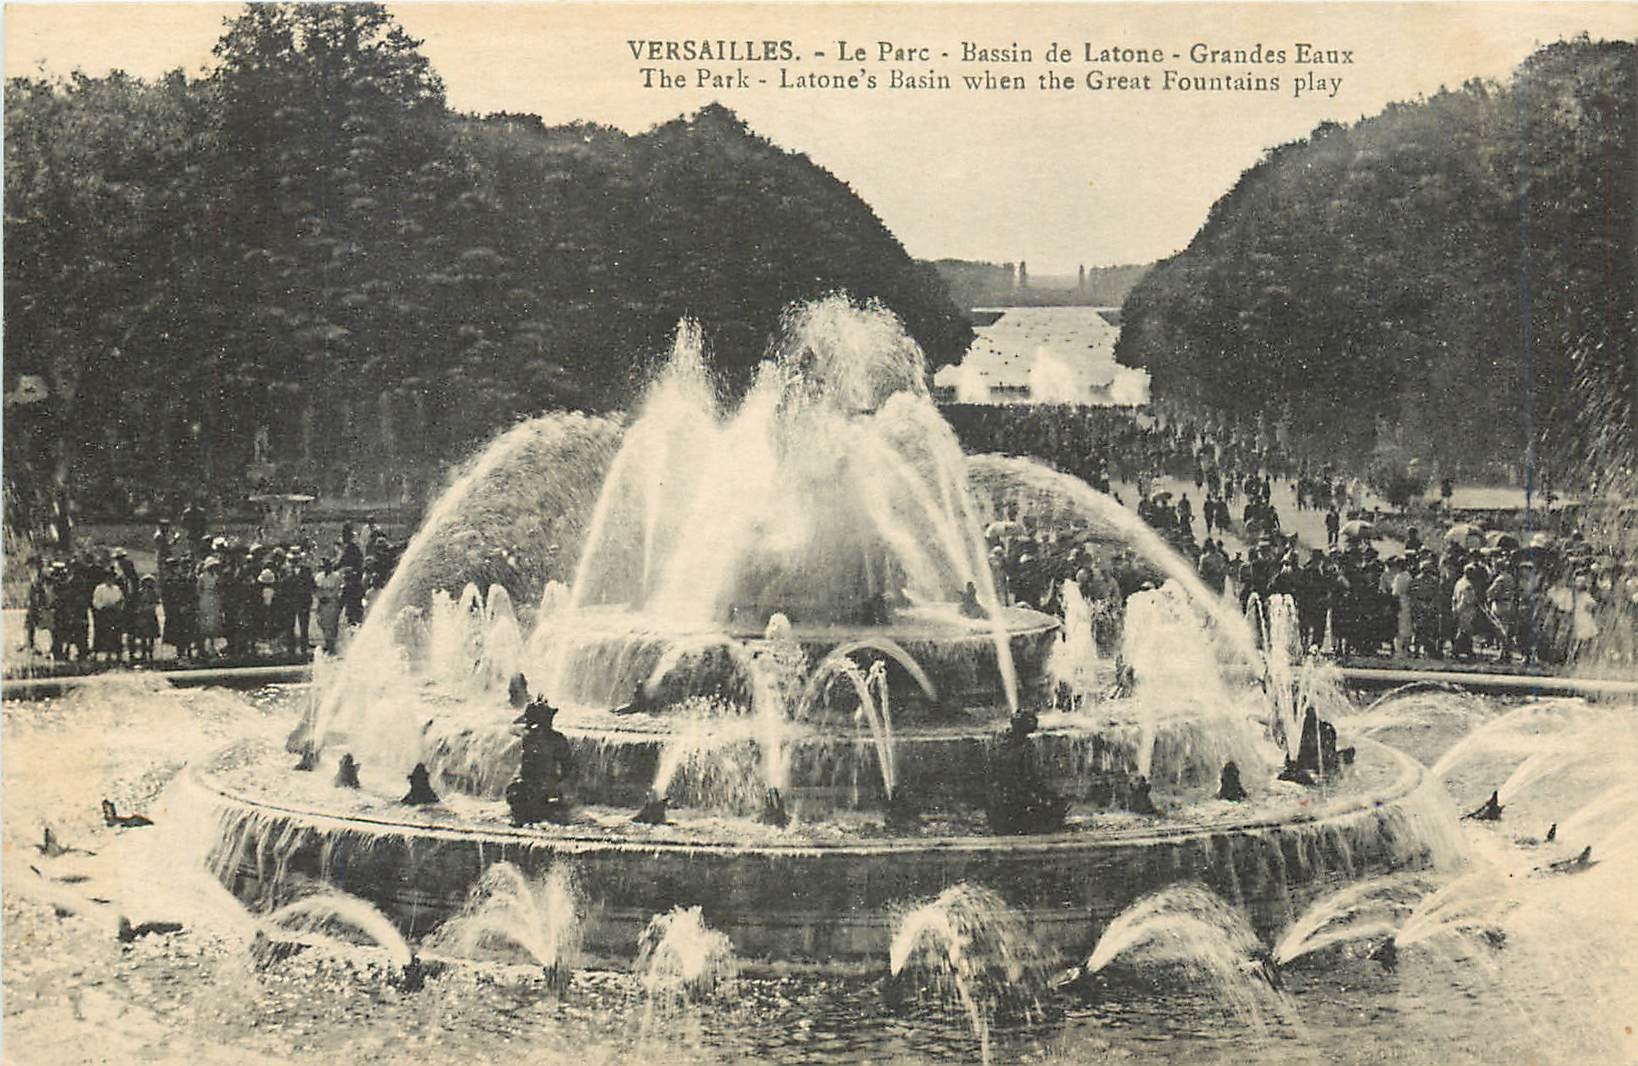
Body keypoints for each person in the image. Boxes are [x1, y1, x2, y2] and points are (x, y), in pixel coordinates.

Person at [91, 568, 126, 662]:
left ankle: (118, 654)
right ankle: (102, 653)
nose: (110, 580)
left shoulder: (117, 588)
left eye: (112, 578)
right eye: (108, 578)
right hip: (104, 613)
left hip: (114, 613)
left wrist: (118, 607)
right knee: (103, 633)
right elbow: (95, 601)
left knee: (116, 633)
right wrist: (102, 607)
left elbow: (121, 599)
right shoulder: (100, 588)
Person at [128, 575, 161, 662]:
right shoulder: (139, 592)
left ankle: (150, 653)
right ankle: (143, 653)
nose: (148, 584)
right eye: (146, 581)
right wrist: (140, 609)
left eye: (150, 582)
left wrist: (150, 607)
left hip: (151, 615)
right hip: (142, 615)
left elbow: (156, 602)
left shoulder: (153, 593)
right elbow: (136, 603)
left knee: (151, 636)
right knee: (143, 636)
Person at [197, 558, 225, 657]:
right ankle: (204, 647)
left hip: (215, 598)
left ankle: (212, 646)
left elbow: (219, 586)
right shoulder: (202, 577)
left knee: (214, 622)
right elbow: (199, 589)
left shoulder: (216, 576)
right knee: (206, 622)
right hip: (206, 598)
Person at [314, 559, 344, 653]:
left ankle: (332, 647)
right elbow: (316, 589)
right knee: (322, 624)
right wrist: (320, 597)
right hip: (321, 604)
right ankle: (328, 644)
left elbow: (336, 590)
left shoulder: (336, 576)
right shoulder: (319, 577)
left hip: (332, 603)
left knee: (331, 625)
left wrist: (328, 597)